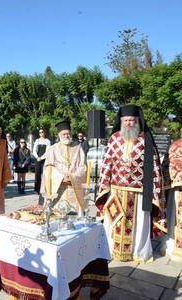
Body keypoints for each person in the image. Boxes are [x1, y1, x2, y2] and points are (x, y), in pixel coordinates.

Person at [96, 104, 166, 263]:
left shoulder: (145, 139)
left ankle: (138, 252)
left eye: (131, 120)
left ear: (137, 121)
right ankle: (111, 249)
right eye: (125, 120)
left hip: (139, 192)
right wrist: (104, 186)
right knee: (114, 220)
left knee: (138, 223)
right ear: (121, 121)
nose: (128, 123)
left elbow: (154, 167)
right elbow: (107, 164)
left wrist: (154, 191)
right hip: (116, 191)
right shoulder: (114, 138)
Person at [41, 120, 87, 214]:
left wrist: (72, 177)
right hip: (58, 189)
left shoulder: (78, 148)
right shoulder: (53, 149)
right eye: (64, 134)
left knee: (75, 218)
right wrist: (61, 178)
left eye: (68, 134)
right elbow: (48, 168)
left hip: (74, 188)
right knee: (57, 215)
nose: (66, 136)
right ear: (59, 135)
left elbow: (83, 166)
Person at [33, 129, 51, 194]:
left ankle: (44, 189)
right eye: (40, 132)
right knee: (37, 174)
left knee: (44, 174)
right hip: (37, 158)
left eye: (42, 132)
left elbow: (48, 151)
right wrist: (37, 157)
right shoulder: (37, 141)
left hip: (44, 159)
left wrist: (42, 157)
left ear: (44, 133)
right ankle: (37, 189)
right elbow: (34, 150)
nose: (41, 133)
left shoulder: (47, 141)